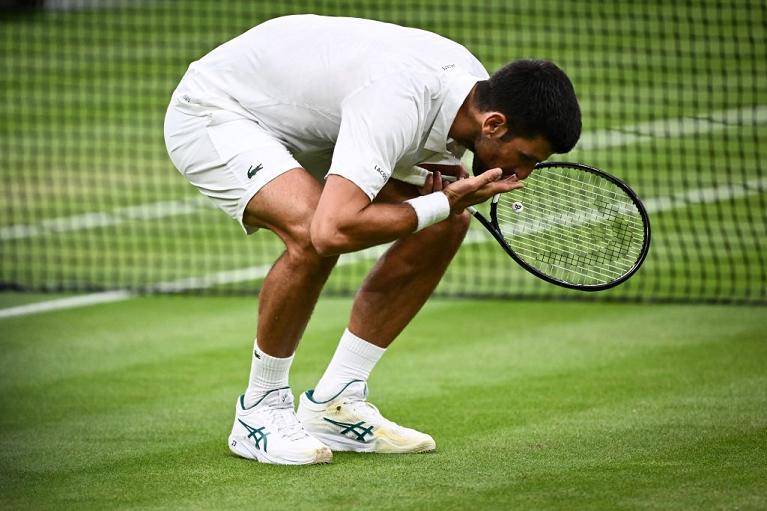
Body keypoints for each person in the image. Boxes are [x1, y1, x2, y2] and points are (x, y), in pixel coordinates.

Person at [163, 14, 581, 465]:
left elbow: (427, 194)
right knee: (312, 233)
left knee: (447, 222)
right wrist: (444, 201)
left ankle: (336, 403)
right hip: (219, 111)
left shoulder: (469, 97)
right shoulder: (397, 100)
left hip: (318, 124)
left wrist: (444, 204)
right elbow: (332, 230)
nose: (523, 174)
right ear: (494, 124)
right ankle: (259, 410)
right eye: (524, 158)